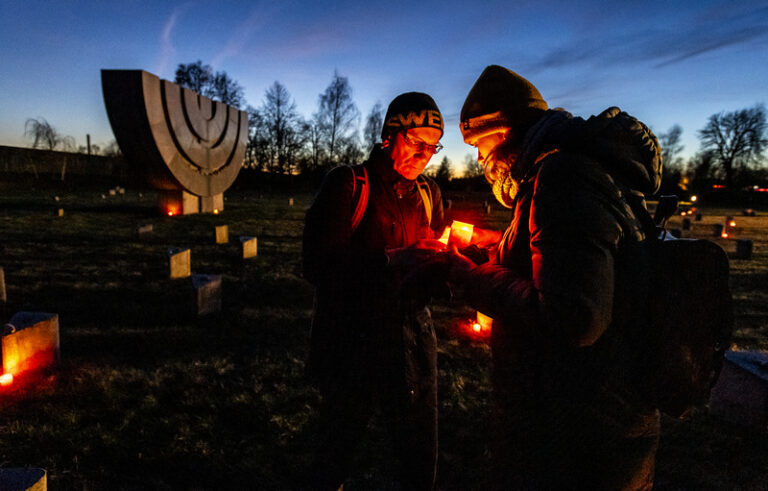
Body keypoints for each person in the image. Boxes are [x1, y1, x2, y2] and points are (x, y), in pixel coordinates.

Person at [450, 65, 663, 489]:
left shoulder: (563, 177)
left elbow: (574, 316)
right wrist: (490, 253)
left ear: (506, 129)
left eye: (480, 142)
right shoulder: (568, 173)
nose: (478, 158)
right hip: (592, 424)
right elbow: (568, 261)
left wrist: (470, 278)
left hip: (575, 440)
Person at [302, 92, 446, 490]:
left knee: (418, 451)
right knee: (337, 444)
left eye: (432, 146)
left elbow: (430, 255)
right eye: (415, 142)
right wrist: (394, 258)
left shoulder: (429, 193)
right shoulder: (349, 184)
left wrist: (447, 263)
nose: (424, 155)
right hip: (353, 338)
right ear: (388, 136)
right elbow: (316, 265)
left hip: (412, 336)